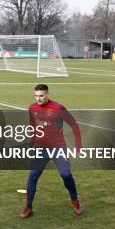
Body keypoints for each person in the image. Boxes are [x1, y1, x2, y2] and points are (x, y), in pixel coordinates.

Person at [20, 84, 83, 219]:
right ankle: (28, 208)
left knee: (66, 175)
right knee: (32, 177)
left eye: (41, 95)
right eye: (36, 96)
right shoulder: (32, 108)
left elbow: (74, 124)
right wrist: (31, 145)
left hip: (58, 147)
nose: (39, 99)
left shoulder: (58, 108)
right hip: (40, 148)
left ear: (48, 94)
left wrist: (78, 145)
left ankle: (75, 201)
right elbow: (33, 126)